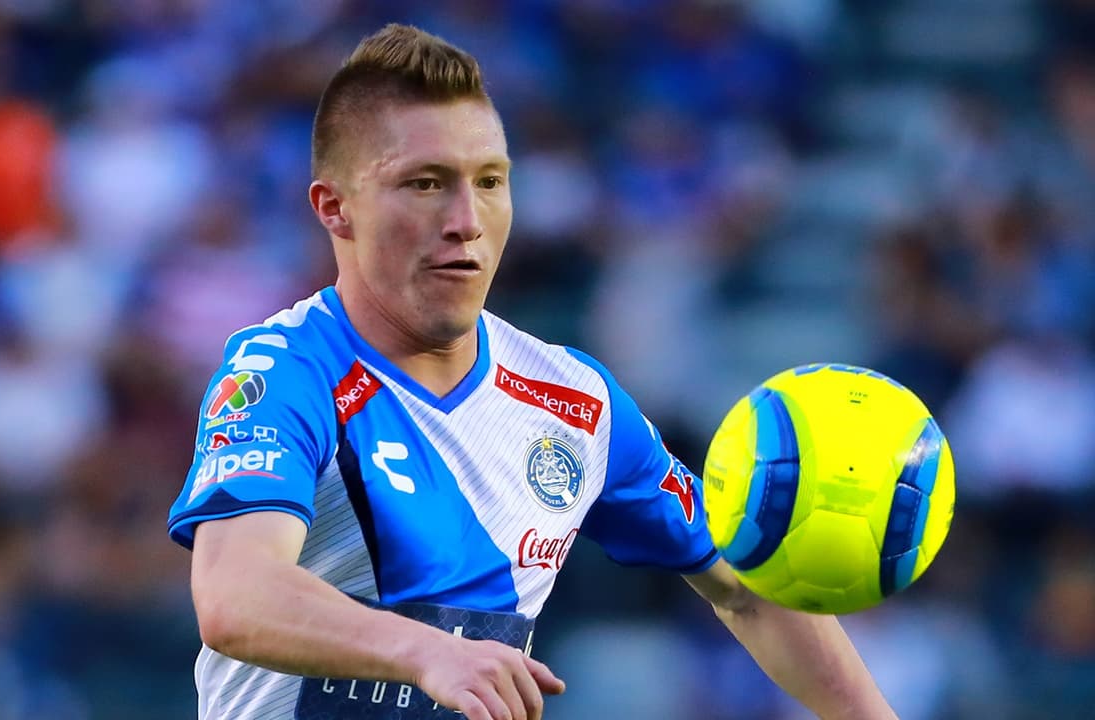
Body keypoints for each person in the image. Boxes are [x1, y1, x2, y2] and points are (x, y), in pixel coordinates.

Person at [167, 23, 896, 720]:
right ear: (336, 209)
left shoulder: (574, 401)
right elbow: (237, 596)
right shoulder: (283, 371)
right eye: (425, 184)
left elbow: (748, 588)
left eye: (489, 181)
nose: (466, 219)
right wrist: (428, 652)